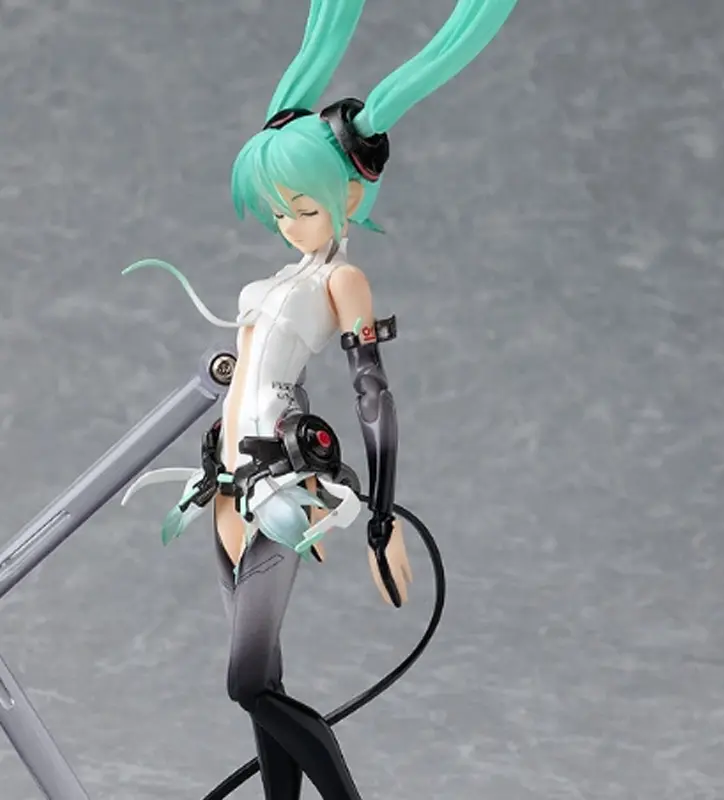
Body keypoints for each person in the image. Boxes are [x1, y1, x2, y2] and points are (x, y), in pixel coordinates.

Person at [122, 0, 519, 796]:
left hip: (282, 490)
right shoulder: (272, 282)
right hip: (226, 490)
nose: (288, 223)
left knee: (247, 684)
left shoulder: (342, 280)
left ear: (350, 198)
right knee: (261, 684)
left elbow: (373, 393)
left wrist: (381, 519)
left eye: (304, 207)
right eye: (279, 209)